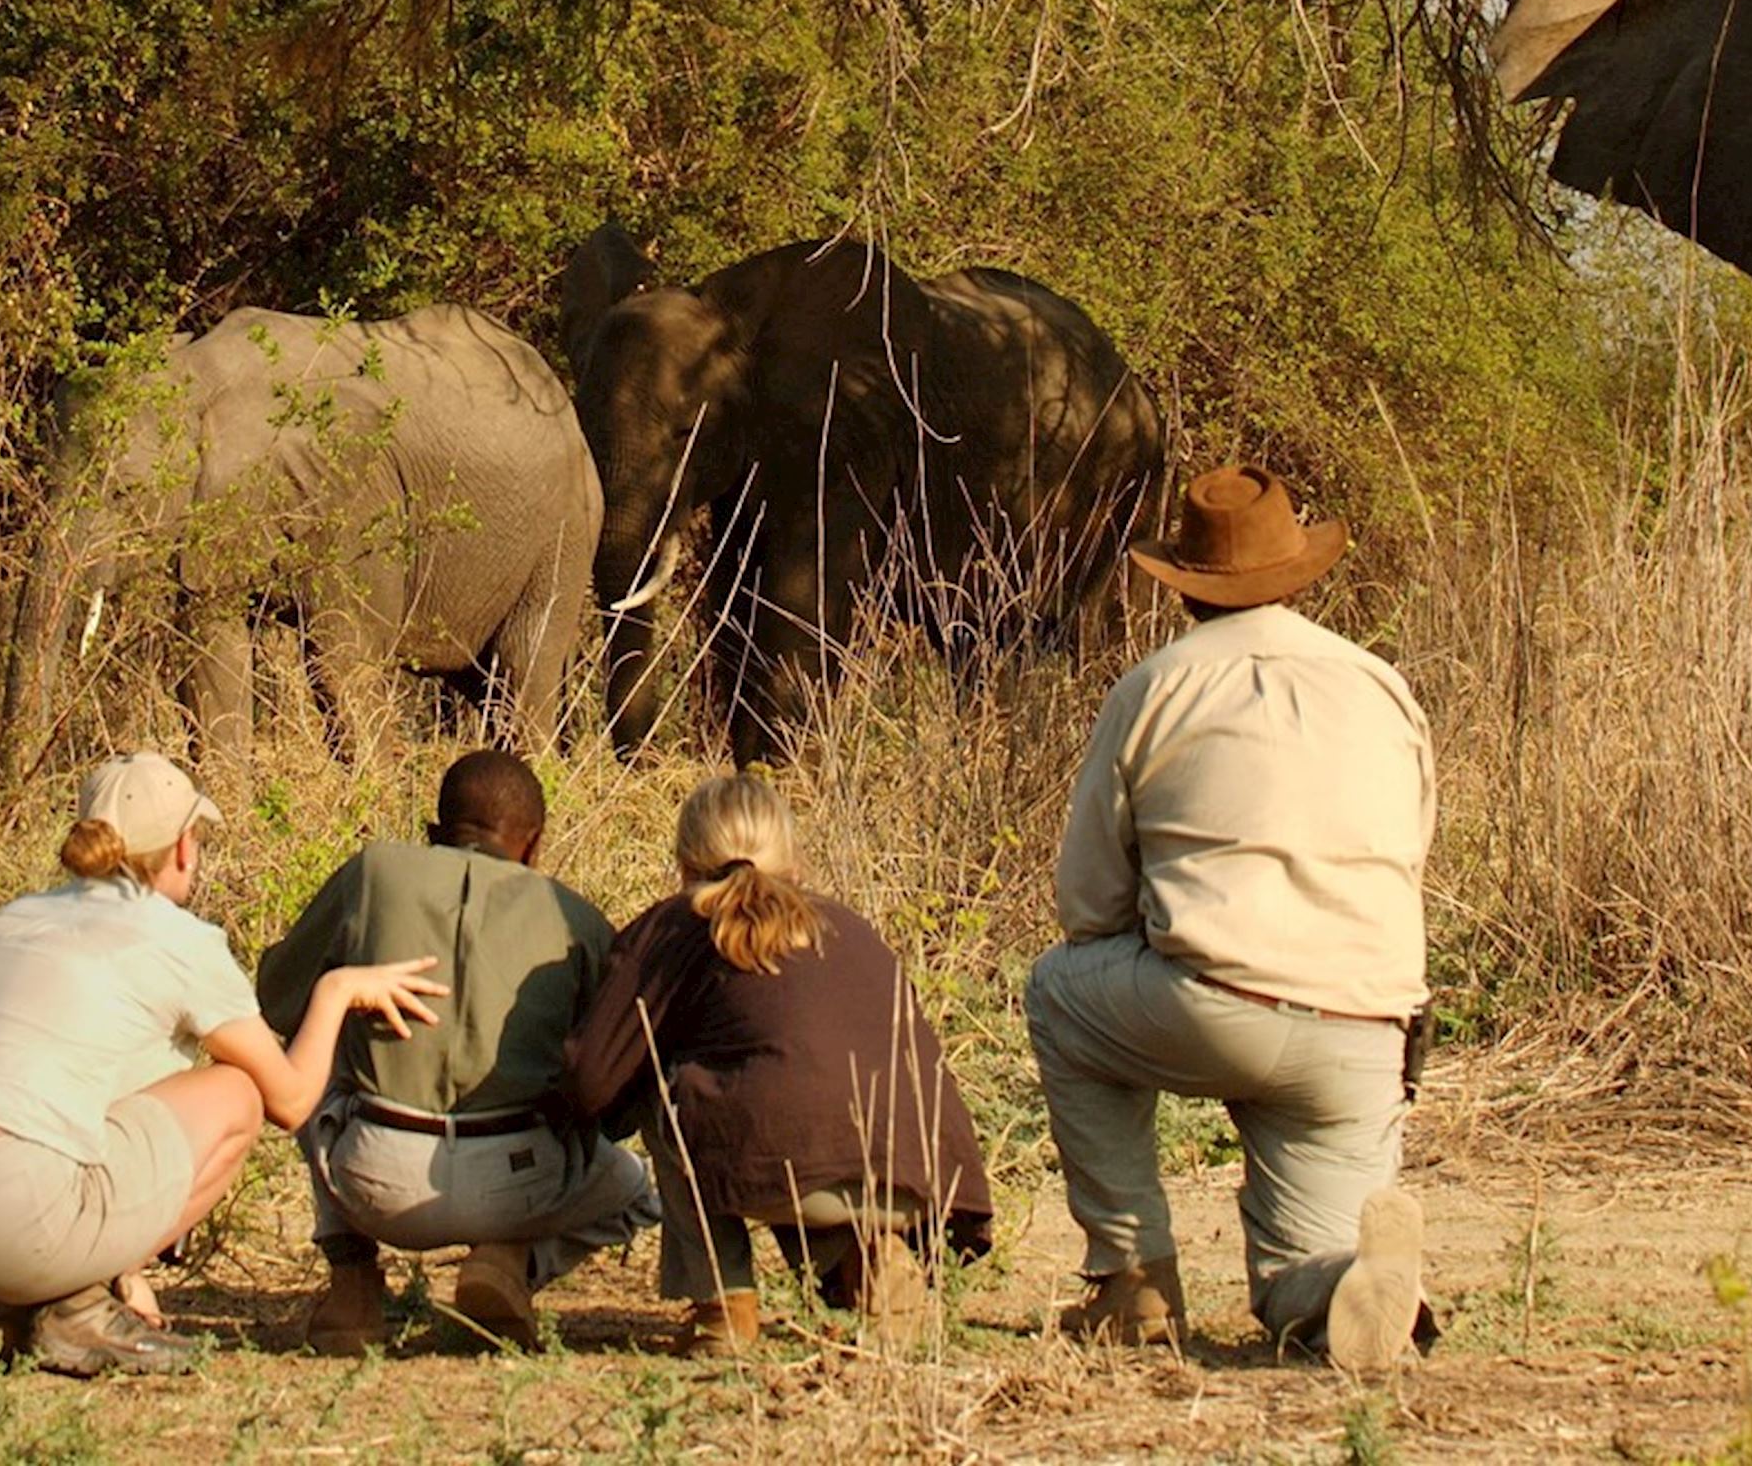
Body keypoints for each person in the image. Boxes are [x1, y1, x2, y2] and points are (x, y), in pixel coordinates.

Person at [1025, 464, 1438, 1370]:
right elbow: (1408, 854)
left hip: (1211, 1001)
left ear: (1186, 588)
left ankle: (1131, 1280)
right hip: (1364, 1027)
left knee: (1059, 992)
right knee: (1303, 1260)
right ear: (1300, 575)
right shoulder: (1380, 684)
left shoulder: (1155, 687)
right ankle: (1341, 1292)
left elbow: (1087, 907)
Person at [0, 752, 447, 1377]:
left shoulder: (10, 921)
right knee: (236, 1092)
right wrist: (336, 991)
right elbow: (291, 1101)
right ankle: (75, 1309)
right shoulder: (179, 940)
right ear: (185, 847)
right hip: (8, 1215)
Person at [565, 773, 992, 1356]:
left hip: (790, 1171)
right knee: (783, 1105)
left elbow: (593, 1081)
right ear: (795, 862)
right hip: (920, 1183)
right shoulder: (851, 925)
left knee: (679, 1094)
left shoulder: (674, 924)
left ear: (684, 866)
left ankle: (723, 1305)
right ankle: (870, 1259)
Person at [257, 748, 655, 1354]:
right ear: (534, 844)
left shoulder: (373, 874)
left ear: (434, 833)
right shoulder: (576, 918)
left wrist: (353, 993)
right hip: (524, 1182)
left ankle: (352, 1281)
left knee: (314, 1024)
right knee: (637, 1194)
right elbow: (614, 1084)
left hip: (369, 1176)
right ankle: (511, 1265)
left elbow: (276, 998)